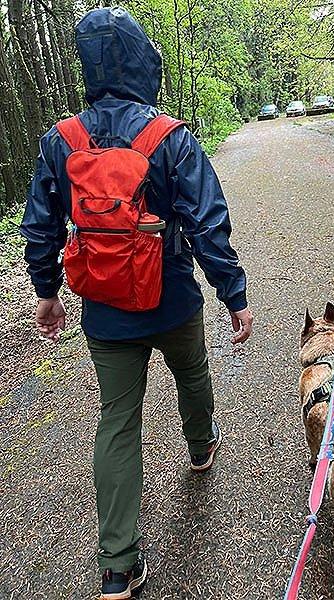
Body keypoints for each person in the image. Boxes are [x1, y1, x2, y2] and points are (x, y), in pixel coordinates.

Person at [19, 7, 252, 599]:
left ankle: (118, 566)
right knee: (192, 373)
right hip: (172, 297)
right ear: (144, 62)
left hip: (104, 308)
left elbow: (41, 227)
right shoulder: (170, 137)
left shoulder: (61, 140)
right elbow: (207, 224)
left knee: (118, 421)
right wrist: (233, 295)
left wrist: (47, 292)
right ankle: (201, 447)